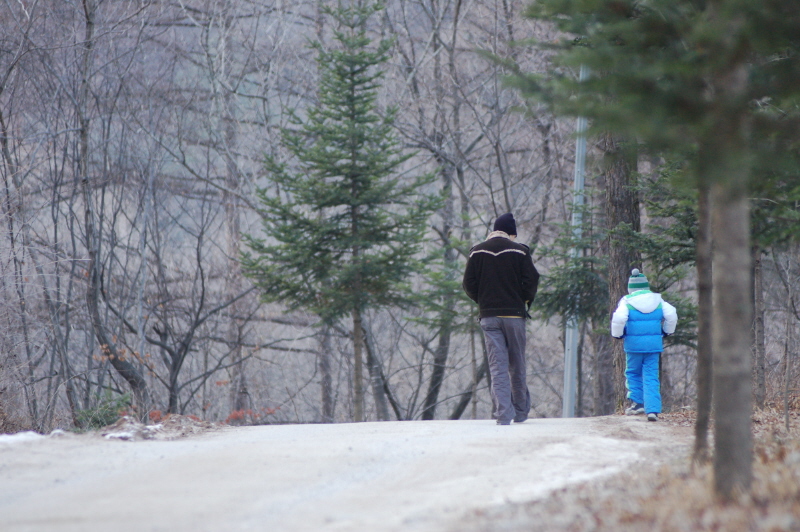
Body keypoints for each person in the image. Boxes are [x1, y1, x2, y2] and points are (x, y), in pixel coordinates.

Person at [463, 213, 540, 425]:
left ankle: (504, 415)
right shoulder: (520, 251)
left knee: (497, 367)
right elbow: (532, 280)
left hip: (489, 317)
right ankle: (521, 412)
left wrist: (483, 300)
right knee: (517, 364)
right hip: (514, 315)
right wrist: (524, 299)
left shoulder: (476, 252)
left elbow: (468, 284)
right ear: (511, 233)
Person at [611, 268, 678, 422]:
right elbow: (672, 315)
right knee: (651, 375)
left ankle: (638, 403)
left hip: (633, 346)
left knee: (633, 373)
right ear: (646, 286)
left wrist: (618, 334)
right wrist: (667, 331)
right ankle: (653, 410)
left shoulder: (627, 301)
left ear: (631, 288)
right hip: (653, 346)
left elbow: (619, 318)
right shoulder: (658, 301)